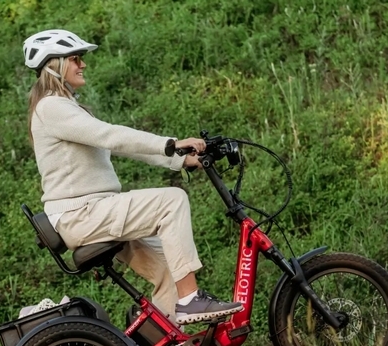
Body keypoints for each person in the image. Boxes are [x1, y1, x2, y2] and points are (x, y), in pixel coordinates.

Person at [22, 29, 243, 325]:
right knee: (172, 201)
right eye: (75, 58)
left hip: (93, 213)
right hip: (82, 215)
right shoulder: (51, 107)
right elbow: (111, 135)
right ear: (55, 65)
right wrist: (171, 143)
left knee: (169, 268)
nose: (83, 64)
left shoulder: (63, 107)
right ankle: (191, 300)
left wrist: (180, 158)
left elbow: (118, 145)